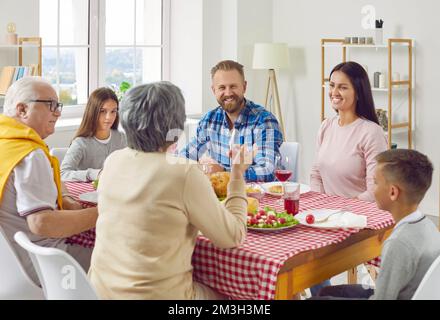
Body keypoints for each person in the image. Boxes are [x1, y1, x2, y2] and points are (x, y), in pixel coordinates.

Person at [88, 81, 252, 299]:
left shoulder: (113, 161)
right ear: (175, 125)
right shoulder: (183, 173)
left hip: (99, 293)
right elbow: (233, 237)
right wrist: (237, 174)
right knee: (243, 296)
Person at [0, 77, 98, 284]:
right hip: (45, 265)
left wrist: (64, 195)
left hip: (7, 267)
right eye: (50, 104)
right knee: (130, 258)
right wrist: (106, 211)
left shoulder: (7, 145)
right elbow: (42, 223)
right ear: (22, 110)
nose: (58, 112)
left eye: (58, 105)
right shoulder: (31, 155)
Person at [314, 149, 440, 299]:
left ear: (393, 192)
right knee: (327, 292)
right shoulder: (429, 226)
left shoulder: (398, 243)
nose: (372, 189)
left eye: (376, 183)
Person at [309, 61, 388, 295]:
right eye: (332, 85)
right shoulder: (326, 126)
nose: (334, 92)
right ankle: (323, 295)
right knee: (305, 254)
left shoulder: (371, 132)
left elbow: (376, 188)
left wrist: (342, 210)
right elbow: (315, 172)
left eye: (343, 87)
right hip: (330, 215)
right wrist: (322, 205)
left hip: (361, 217)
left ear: (358, 92)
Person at [180, 60, 283, 182]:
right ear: (214, 90)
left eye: (233, 86)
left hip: (260, 197)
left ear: (244, 87)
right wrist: (201, 168)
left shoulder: (264, 121)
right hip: (221, 195)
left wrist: (223, 173)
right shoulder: (209, 120)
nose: (228, 93)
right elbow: (182, 158)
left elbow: (268, 171)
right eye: (222, 87)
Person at [61, 87, 126, 182]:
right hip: (87, 195)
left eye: (113, 111)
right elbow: (63, 174)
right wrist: (93, 174)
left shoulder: (122, 138)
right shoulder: (80, 143)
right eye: (103, 111)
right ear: (93, 112)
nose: (109, 117)